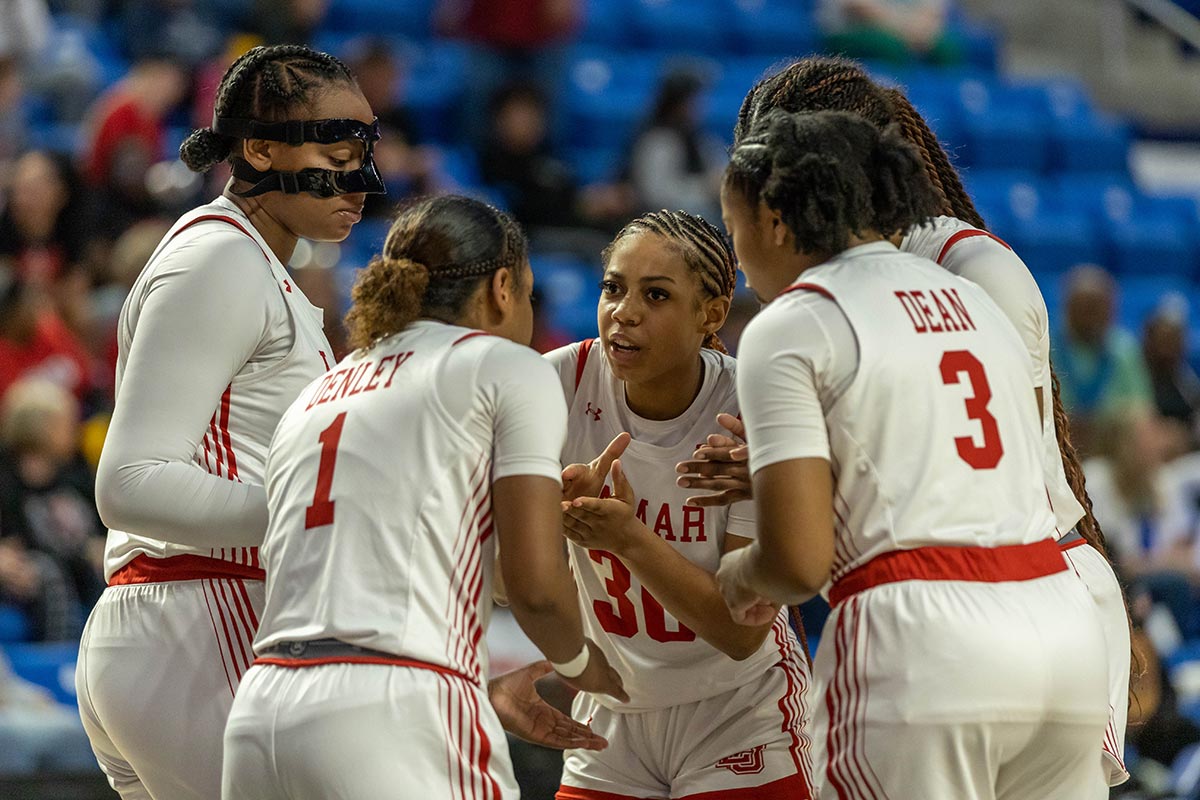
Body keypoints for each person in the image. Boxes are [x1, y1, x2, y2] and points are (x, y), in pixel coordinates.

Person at [679, 56, 1133, 790]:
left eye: (733, 226)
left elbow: (804, 556)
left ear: (777, 210)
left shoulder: (811, 315)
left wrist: (735, 568)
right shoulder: (961, 294)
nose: (734, 261)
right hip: (1049, 619)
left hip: (937, 624)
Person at [221, 194, 625, 800]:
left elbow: (434, 561)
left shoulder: (319, 392)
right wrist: (589, 671)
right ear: (502, 288)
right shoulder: (509, 367)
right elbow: (535, 588)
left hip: (262, 712)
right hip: (395, 699)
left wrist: (543, 520)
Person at [75, 44, 383, 800]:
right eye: (337, 149)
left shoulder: (254, 266)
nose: (362, 177)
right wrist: (325, 514)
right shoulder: (221, 261)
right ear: (257, 149)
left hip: (189, 621)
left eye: (366, 148)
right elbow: (131, 484)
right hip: (197, 611)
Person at [546, 209, 813, 800]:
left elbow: (742, 631)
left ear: (711, 314)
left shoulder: (751, 402)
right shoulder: (556, 384)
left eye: (657, 294)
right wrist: (544, 519)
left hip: (739, 706)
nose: (625, 311)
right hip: (615, 707)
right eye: (613, 288)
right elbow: (500, 581)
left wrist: (626, 537)